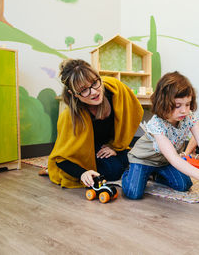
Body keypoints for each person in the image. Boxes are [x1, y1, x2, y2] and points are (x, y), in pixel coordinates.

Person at [121, 71, 199, 199]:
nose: (184, 110)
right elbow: (174, 158)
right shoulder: (157, 124)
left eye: (187, 104)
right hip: (144, 160)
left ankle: (155, 175)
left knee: (184, 185)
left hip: (163, 162)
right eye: (178, 105)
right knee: (134, 192)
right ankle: (129, 172)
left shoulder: (187, 117)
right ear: (164, 104)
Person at [47, 59, 143, 188]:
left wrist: (115, 146)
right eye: (83, 90)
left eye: (94, 82)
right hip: (88, 149)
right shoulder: (70, 116)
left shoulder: (115, 89)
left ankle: (119, 157)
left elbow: (134, 111)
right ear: (73, 94)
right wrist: (82, 173)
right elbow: (61, 158)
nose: (94, 92)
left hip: (109, 144)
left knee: (138, 157)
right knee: (113, 170)